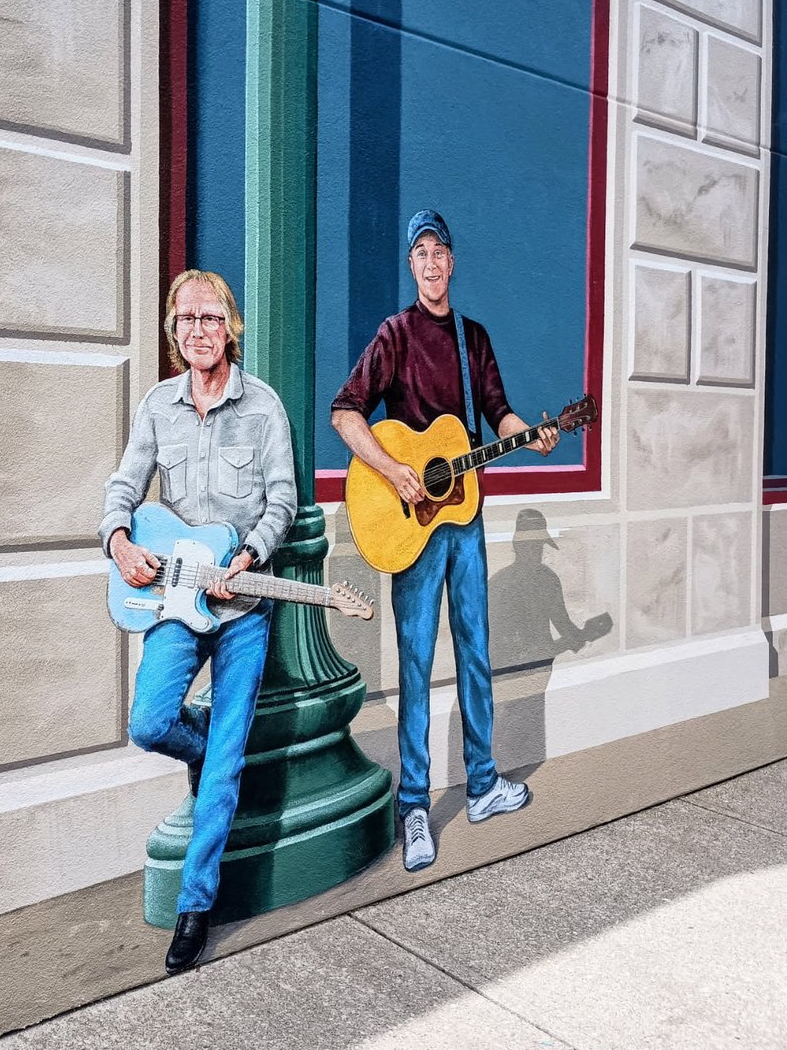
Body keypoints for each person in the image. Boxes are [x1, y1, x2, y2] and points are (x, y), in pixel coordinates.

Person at [331, 209, 558, 872]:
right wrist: (395, 470)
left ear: (453, 262)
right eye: (420, 253)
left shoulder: (472, 338)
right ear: (412, 264)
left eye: (441, 253)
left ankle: (483, 784)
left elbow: (498, 413)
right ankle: (414, 808)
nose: (431, 264)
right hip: (412, 525)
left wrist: (532, 433)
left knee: (476, 652)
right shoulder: (395, 334)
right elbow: (346, 411)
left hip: (464, 521)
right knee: (414, 664)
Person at [100, 269, 297, 973]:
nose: (198, 332)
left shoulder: (264, 407)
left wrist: (252, 551)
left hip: (240, 602)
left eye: (210, 319)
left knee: (221, 778)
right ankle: (213, 745)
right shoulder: (158, 406)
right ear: (173, 331)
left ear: (230, 326)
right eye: (186, 321)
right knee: (151, 722)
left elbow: (283, 500)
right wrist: (120, 541)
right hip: (178, 598)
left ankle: (195, 906)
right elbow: (125, 486)